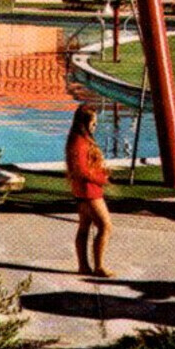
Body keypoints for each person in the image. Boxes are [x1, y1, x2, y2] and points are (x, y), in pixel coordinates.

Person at [65, 104, 114, 278]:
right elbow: (81, 170)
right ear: (84, 123)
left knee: (84, 226)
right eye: (93, 123)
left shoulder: (79, 139)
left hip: (84, 190)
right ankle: (98, 266)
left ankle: (84, 266)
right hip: (89, 191)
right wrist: (101, 178)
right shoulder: (79, 142)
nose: (95, 127)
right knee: (105, 226)